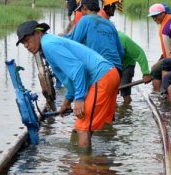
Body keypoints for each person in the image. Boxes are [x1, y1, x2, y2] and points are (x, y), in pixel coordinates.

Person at [16, 20, 120, 148]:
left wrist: (79, 99)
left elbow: (78, 69)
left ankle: (84, 166)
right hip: (107, 75)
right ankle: (86, 162)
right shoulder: (48, 43)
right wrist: (67, 101)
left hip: (101, 78)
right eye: (23, 43)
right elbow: (70, 78)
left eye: (27, 40)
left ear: (38, 33)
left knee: (82, 128)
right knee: (83, 126)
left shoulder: (49, 45)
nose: (26, 45)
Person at [68, 0, 124, 74]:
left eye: (81, 10)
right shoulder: (110, 24)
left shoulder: (85, 20)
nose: (81, 13)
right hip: (117, 70)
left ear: (85, 7)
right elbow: (121, 52)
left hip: (100, 69)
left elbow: (73, 44)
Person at [148, 3, 171, 92]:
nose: (154, 19)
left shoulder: (164, 29)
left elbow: (167, 54)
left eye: (156, 16)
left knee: (155, 69)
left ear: (163, 13)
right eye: (152, 17)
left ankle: (160, 93)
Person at [118, 31, 152, 103]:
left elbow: (139, 53)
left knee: (125, 92)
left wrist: (146, 73)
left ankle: (127, 107)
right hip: (113, 66)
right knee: (110, 92)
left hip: (127, 65)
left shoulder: (123, 39)